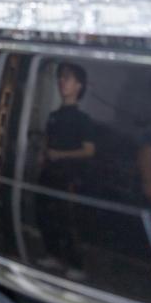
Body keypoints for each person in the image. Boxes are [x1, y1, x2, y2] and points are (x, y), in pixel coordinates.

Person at [36, 62, 96, 281]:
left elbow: (89, 150)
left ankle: (76, 265)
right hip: (48, 173)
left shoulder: (83, 120)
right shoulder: (54, 115)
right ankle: (52, 255)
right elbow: (47, 140)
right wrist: (42, 155)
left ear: (79, 85)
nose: (62, 81)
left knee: (67, 220)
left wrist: (60, 155)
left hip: (68, 176)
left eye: (67, 78)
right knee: (44, 214)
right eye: (60, 77)